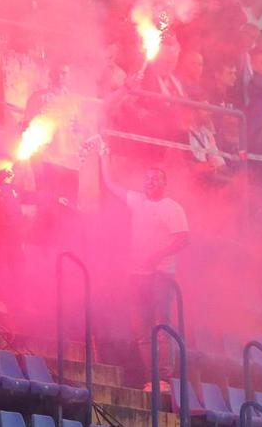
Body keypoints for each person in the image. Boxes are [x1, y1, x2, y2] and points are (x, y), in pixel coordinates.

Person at [98, 157, 188, 392]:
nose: (149, 182)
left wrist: (158, 256)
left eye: (154, 179)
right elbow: (109, 183)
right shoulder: (137, 201)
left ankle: (165, 379)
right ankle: (152, 378)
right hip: (137, 275)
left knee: (161, 325)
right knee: (141, 330)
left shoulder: (172, 207)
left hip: (161, 275)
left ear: (164, 184)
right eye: (147, 178)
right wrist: (103, 157)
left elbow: (183, 239)